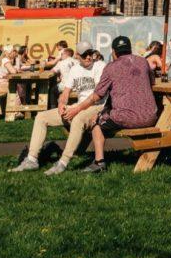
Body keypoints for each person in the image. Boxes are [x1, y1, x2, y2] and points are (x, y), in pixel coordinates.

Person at [59, 36, 159, 174]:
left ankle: (99, 162)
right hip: (151, 116)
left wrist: (77, 109)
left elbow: (97, 95)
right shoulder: (143, 62)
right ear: (130, 49)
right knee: (104, 116)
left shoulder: (111, 67)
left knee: (96, 122)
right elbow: (153, 83)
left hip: (127, 117)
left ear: (113, 52)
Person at [9, 48, 104, 173]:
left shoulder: (100, 66)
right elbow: (65, 93)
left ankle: (62, 162)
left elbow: (96, 96)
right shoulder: (75, 69)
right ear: (77, 56)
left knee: (77, 119)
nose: (88, 57)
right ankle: (31, 160)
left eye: (90, 54)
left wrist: (76, 109)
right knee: (41, 117)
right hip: (78, 105)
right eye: (84, 55)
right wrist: (61, 104)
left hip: (96, 107)